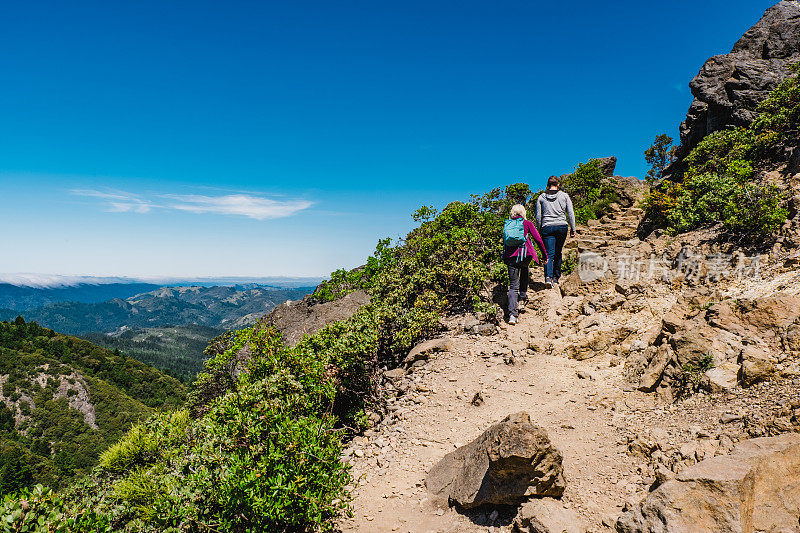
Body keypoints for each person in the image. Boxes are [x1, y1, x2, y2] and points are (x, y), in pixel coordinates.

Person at [503, 204, 547, 325]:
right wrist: (544, 255)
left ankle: (512, 315)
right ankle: (522, 294)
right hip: (525, 255)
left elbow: (505, 242)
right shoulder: (527, 223)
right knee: (524, 267)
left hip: (511, 257)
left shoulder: (507, 224)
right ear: (523, 213)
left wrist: (505, 257)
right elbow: (538, 239)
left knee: (512, 286)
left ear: (512, 213)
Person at [535, 176, 576, 287]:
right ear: (558, 184)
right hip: (562, 226)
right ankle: (556, 277)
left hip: (547, 227)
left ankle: (548, 278)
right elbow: (570, 213)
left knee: (548, 253)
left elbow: (538, 216)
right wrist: (573, 228)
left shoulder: (541, 197)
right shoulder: (564, 196)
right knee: (558, 251)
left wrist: (539, 230)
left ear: (548, 185)